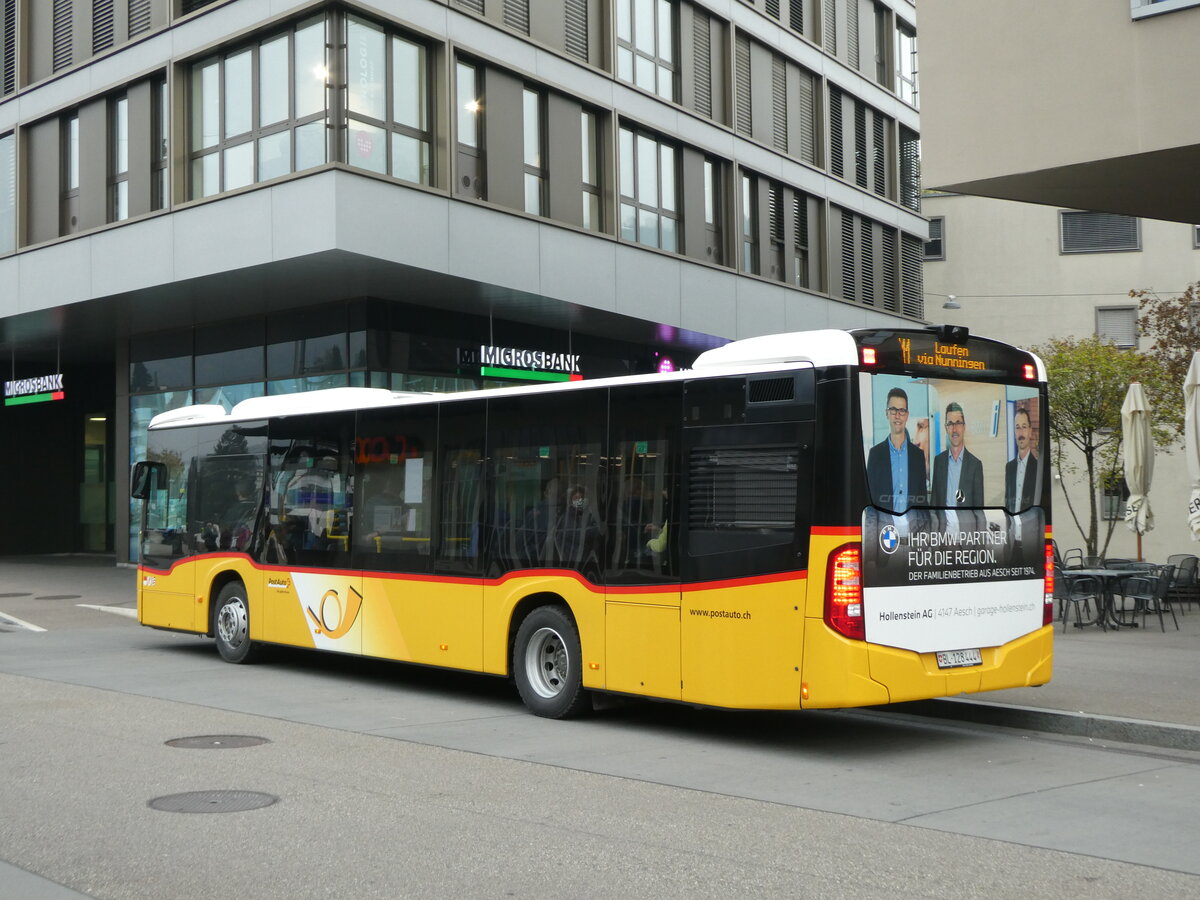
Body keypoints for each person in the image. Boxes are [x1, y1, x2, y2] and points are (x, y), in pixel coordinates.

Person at [866, 387, 928, 512]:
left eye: (902, 411)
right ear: (887, 413)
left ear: (907, 415)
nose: (898, 416)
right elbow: (870, 502)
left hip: (913, 530)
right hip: (885, 529)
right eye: (893, 410)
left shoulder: (918, 455)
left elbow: (923, 502)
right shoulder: (875, 454)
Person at [931, 402, 984, 507]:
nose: (954, 429)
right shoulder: (939, 461)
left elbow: (979, 509)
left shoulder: (975, 465)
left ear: (964, 427)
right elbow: (934, 503)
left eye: (958, 423)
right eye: (950, 423)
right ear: (946, 428)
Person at [1005, 407, 1040, 510]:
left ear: (1030, 431)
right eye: (1017, 427)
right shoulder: (1009, 467)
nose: (1021, 433)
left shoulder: (1038, 468)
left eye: (1024, 427)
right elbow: (1007, 501)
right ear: (1014, 432)